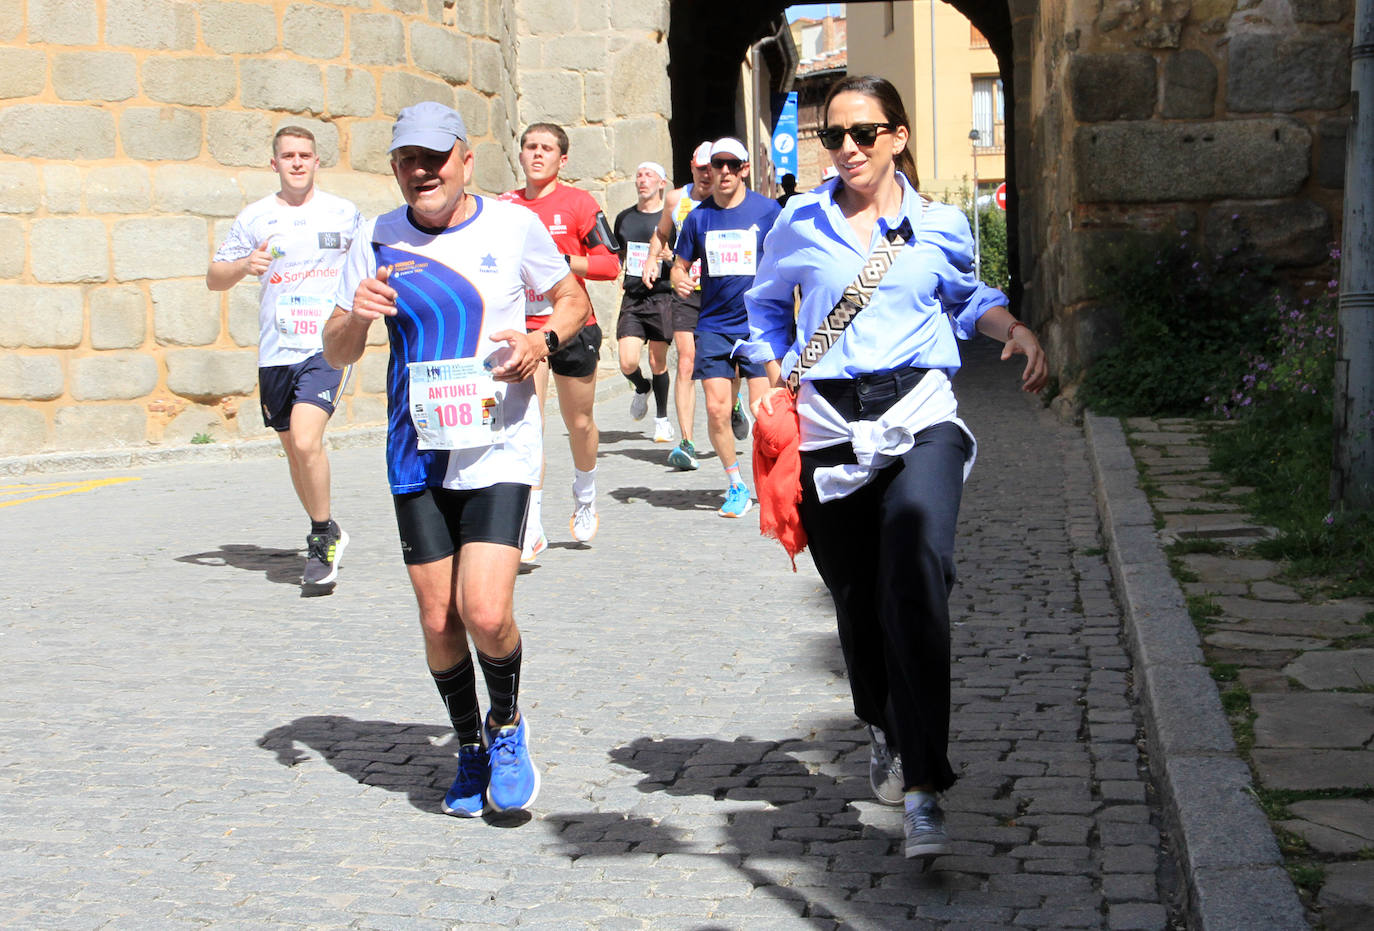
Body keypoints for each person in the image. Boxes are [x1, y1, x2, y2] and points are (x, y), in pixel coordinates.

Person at [744, 75, 1047, 862]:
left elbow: (964, 292)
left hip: (919, 416)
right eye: (834, 136)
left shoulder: (939, 223)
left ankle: (922, 785)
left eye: (865, 133)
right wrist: (766, 366)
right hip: (830, 425)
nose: (848, 148)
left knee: (916, 574)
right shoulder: (798, 222)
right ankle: (880, 722)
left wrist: (1009, 326)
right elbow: (766, 308)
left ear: (898, 136)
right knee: (855, 600)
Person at [321, 102, 592, 816]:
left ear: (465, 161)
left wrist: (543, 343)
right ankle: (469, 743)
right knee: (439, 616)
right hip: (417, 449)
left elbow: (571, 297)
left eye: (436, 157)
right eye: (409, 159)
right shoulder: (376, 237)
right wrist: (356, 312)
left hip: (499, 439)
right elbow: (336, 350)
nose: (423, 170)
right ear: (395, 169)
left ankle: (507, 726)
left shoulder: (512, 225)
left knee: (484, 607)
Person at [207, 126, 361, 593]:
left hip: (325, 346)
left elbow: (369, 266)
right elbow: (215, 277)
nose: (297, 163)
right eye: (288, 156)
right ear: (274, 163)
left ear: (317, 162)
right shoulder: (254, 218)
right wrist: (242, 267)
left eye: (306, 155)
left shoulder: (344, 213)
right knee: (295, 451)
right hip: (276, 350)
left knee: (309, 441)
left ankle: (319, 542)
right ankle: (328, 526)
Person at [500, 123, 620, 556]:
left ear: (561, 159)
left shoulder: (579, 204)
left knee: (580, 423)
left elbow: (609, 266)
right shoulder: (504, 207)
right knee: (526, 426)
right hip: (524, 329)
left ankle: (585, 495)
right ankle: (530, 524)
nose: (537, 154)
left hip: (571, 325)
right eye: (530, 146)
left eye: (546, 148)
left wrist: (557, 259)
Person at [670, 137, 780, 518]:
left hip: (760, 325)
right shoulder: (699, 217)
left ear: (745, 168)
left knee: (764, 412)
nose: (726, 171)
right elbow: (679, 265)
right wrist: (678, 278)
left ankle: (771, 481)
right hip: (714, 324)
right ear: (709, 169)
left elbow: (790, 261)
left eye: (734, 164)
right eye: (719, 164)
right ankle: (736, 484)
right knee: (716, 410)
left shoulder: (769, 211)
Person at [612, 161, 675, 443]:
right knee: (627, 362)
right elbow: (618, 255)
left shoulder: (669, 218)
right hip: (634, 297)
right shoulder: (624, 218)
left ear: (662, 183)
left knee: (657, 360)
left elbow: (683, 257)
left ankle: (661, 419)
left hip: (662, 296)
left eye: (649, 175)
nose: (642, 180)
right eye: (638, 175)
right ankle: (641, 386)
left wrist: (669, 258)